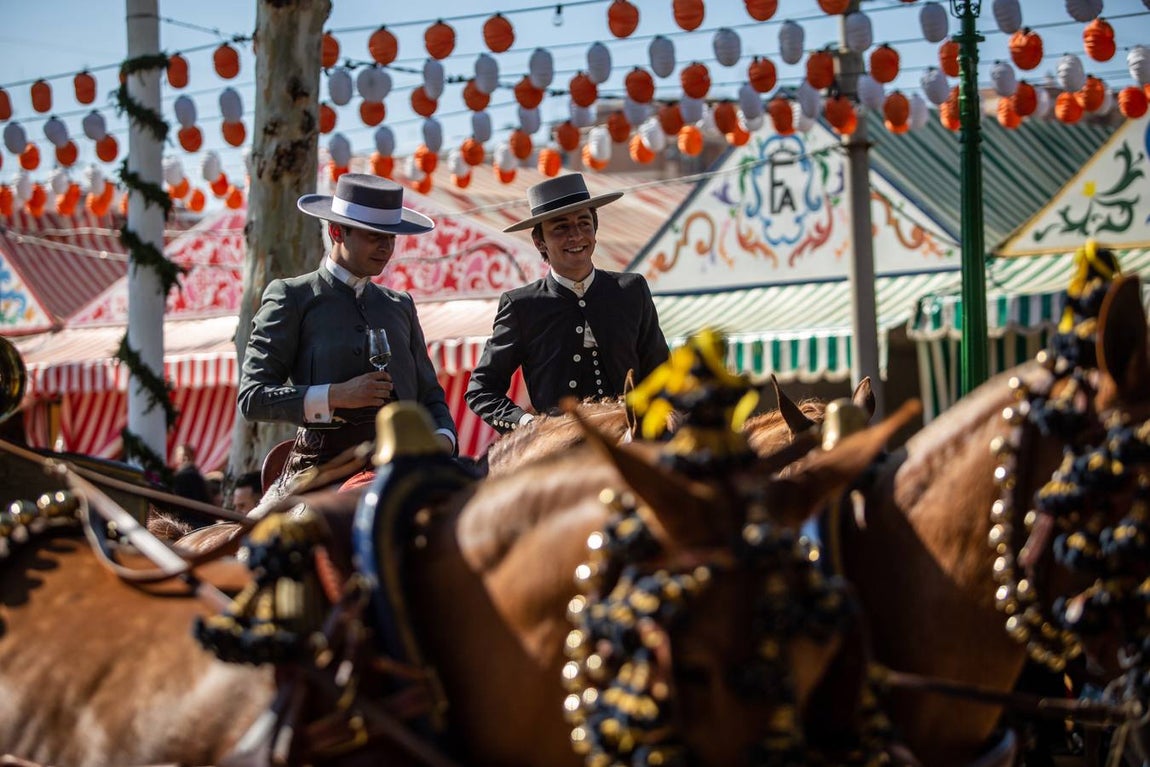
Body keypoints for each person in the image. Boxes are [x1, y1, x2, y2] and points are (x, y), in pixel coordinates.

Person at [238, 174, 457, 493]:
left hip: (409, 470)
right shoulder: (291, 297)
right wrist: (337, 395)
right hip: (322, 473)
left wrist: (442, 440)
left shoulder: (400, 305)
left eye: (392, 237)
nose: (386, 246)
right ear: (336, 231)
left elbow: (430, 395)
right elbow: (253, 397)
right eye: (374, 236)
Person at [466, 173, 669, 434]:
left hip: (637, 442)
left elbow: (661, 372)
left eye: (584, 223)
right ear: (539, 241)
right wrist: (529, 424)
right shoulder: (521, 306)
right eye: (560, 228)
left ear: (595, 230)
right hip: (561, 451)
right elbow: (481, 390)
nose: (576, 236)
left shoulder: (631, 290)